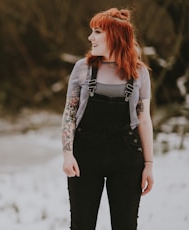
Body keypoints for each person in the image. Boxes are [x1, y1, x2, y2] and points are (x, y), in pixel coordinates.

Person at [61, 8, 154, 230]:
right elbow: (70, 113)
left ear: (115, 35)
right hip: (85, 155)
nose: (90, 37)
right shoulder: (82, 69)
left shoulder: (139, 73)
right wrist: (67, 153)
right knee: (81, 225)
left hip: (126, 156)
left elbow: (144, 119)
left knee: (126, 225)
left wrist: (149, 164)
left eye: (97, 32)